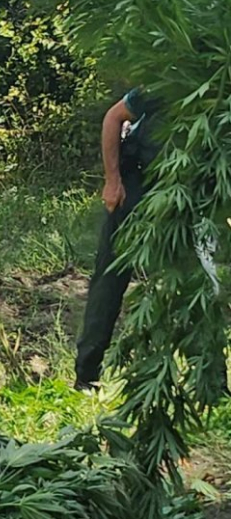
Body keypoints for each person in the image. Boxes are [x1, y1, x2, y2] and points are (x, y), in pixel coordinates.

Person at [74, 86, 158, 391]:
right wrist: (112, 181)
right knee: (109, 280)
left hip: (186, 196)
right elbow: (113, 117)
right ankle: (87, 376)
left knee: (199, 283)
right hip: (134, 187)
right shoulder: (169, 78)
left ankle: (211, 382)